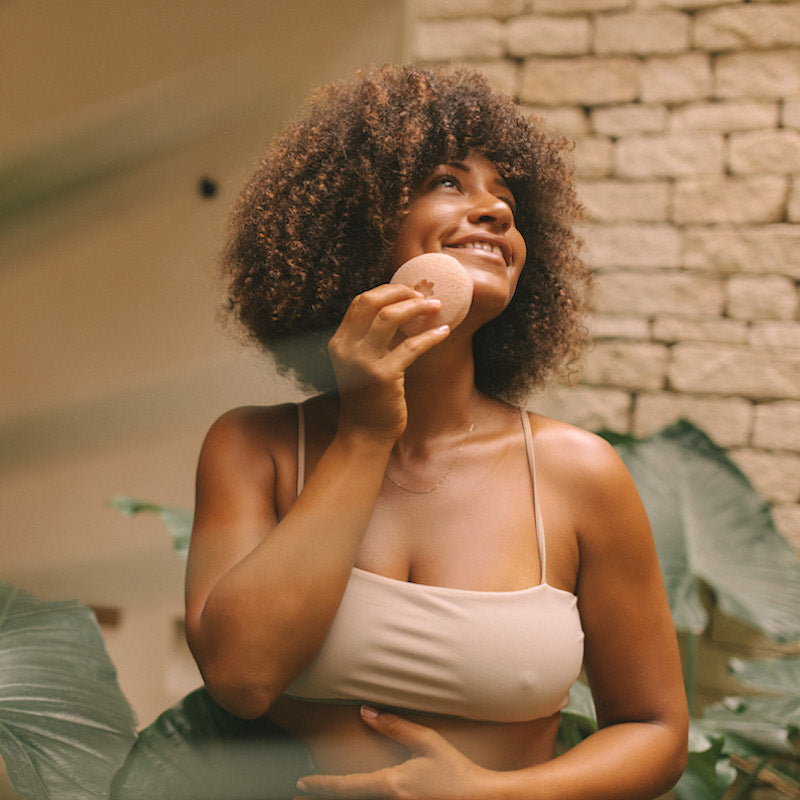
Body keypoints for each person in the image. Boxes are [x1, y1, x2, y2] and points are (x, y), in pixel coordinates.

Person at [183, 64, 688, 799]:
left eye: (507, 198)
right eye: (450, 182)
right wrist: (364, 433)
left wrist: (488, 794)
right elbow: (241, 679)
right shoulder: (253, 450)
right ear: (354, 221)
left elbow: (655, 731)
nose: (494, 211)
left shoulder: (579, 474)